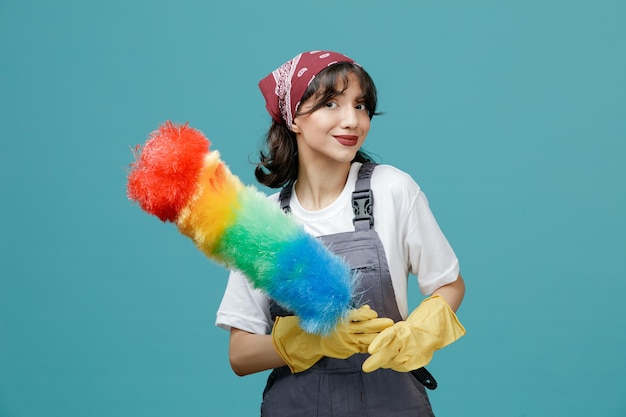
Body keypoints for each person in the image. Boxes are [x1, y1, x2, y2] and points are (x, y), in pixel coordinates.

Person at [216, 50, 466, 416]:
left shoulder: (392, 190)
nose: (352, 120)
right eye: (331, 103)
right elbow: (240, 354)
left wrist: (418, 331)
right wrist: (306, 340)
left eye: (361, 105)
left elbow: (449, 283)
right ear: (294, 119)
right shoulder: (264, 225)